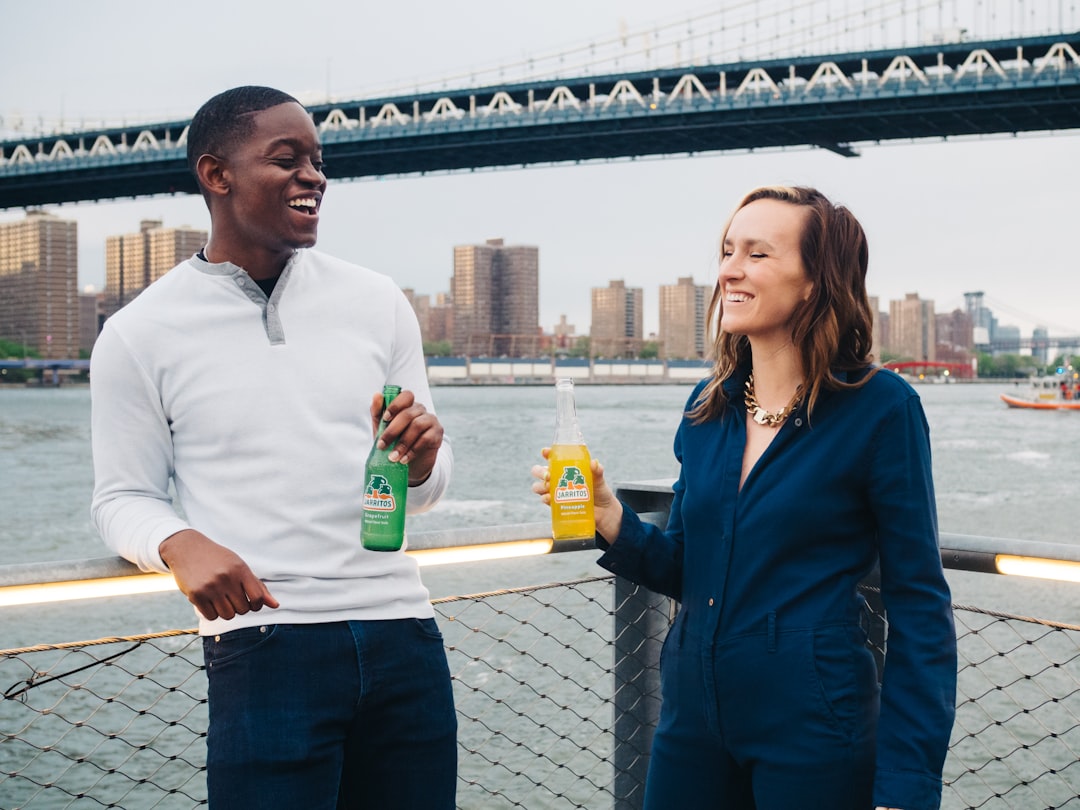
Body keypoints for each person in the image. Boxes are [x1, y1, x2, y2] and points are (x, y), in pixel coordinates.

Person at [90, 86, 457, 809]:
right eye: (286, 160)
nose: (313, 177)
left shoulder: (378, 300)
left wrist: (423, 463)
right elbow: (120, 497)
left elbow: (431, 485)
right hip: (266, 644)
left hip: (403, 632)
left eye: (318, 162)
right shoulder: (138, 334)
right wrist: (177, 540)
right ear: (216, 175)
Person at [533, 185, 956, 810]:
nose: (729, 269)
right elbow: (690, 568)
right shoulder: (709, 406)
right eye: (728, 250)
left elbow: (920, 605)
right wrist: (611, 518)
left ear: (815, 281)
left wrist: (905, 788)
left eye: (757, 254)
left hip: (815, 728)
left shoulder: (882, 409)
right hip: (691, 721)